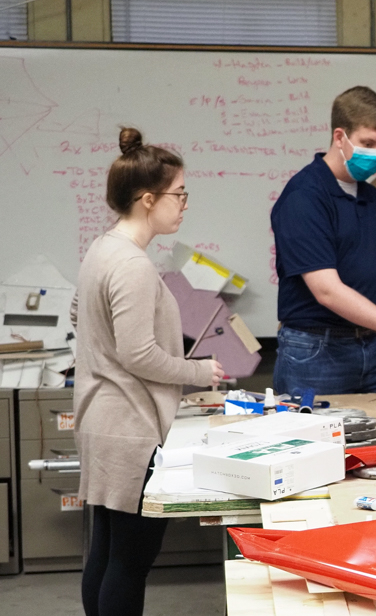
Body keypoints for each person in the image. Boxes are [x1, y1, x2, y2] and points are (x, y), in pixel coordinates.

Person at [73, 127, 224, 615]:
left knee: (107, 552)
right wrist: (198, 371)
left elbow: (80, 314)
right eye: (179, 194)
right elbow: (137, 354)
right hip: (129, 431)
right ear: (146, 199)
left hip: (103, 421)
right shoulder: (133, 265)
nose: (184, 204)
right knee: (130, 561)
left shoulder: (102, 249)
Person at [271, 86, 376, 398]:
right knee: (316, 443)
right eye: (368, 144)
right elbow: (327, 291)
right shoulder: (305, 197)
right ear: (340, 137)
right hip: (317, 351)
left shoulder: (373, 198)